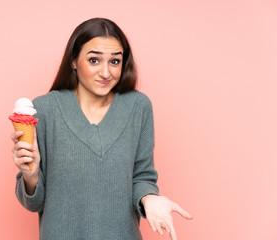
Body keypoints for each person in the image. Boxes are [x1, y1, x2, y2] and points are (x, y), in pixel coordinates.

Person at [11, 18, 192, 240]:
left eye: (115, 62)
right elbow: (34, 204)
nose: (106, 73)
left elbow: (141, 177)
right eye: (94, 60)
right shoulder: (44, 109)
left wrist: (150, 199)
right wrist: (30, 177)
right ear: (74, 61)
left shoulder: (138, 107)